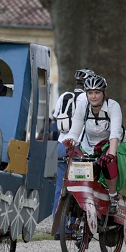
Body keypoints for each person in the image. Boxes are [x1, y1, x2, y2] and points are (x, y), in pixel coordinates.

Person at [63, 72, 126, 215]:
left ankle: (113, 197)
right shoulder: (83, 106)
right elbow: (75, 131)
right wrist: (69, 143)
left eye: (97, 92)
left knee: (107, 162)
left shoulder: (113, 106)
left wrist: (111, 154)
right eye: (90, 92)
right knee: (78, 165)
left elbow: (115, 133)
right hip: (90, 146)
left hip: (113, 144)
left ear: (104, 93)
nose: (93, 96)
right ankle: (77, 196)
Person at [50, 68, 91, 239]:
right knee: (80, 188)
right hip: (79, 148)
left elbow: (55, 116)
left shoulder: (63, 96)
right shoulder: (88, 99)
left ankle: (59, 229)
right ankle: (75, 226)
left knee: (60, 189)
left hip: (61, 145)